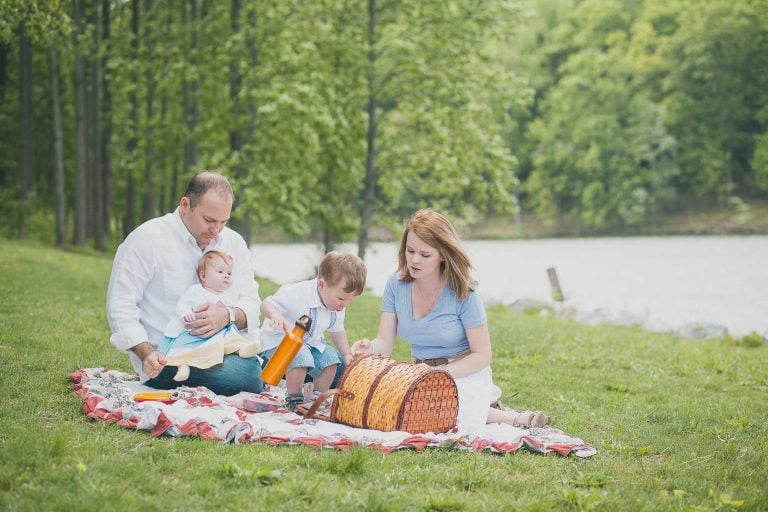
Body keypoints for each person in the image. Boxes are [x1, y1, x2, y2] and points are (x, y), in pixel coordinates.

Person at [351, 208, 551, 430]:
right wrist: (369, 348)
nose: (414, 260)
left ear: (442, 255)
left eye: (425, 255)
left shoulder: (464, 292)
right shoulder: (395, 285)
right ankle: (488, 410)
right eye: (410, 251)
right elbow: (385, 343)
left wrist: (441, 374)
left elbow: (482, 355)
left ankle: (511, 419)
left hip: (463, 371)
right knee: (390, 403)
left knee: (440, 409)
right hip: (419, 373)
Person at [107, 171, 264, 396]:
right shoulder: (146, 239)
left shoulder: (233, 242)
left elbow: (251, 300)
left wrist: (227, 315)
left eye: (223, 222)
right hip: (168, 357)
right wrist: (146, 354)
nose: (216, 230)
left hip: (226, 346)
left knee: (320, 363)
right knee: (250, 377)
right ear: (184, 205)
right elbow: (120, 307)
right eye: (209, 220)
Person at [259, 251, 366, 411]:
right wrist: (274, 315)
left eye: (350, 300)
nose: (344, 305)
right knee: (300, 355)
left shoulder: (336, 306)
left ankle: (316, 398)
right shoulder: (295, 293)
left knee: (330, 359)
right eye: (342, 299)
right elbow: (266, 304)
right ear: (321, 285)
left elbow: (337, 330)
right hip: (279, 345)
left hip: (310, 344)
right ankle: (294, 398)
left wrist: (346, 354)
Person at [156, 250, 261, 382]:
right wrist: (186, 313)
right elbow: (183, 304)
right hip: (194, 333)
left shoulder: (226, 297)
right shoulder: (196, 291)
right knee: (185, 350)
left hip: (216, 335)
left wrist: (228, 316)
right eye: (220, 272)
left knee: (231, 336)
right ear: (203, 276)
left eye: (229, 273)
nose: (226, 276)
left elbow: (236, 314)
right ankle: (182, 366)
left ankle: (241, 348)